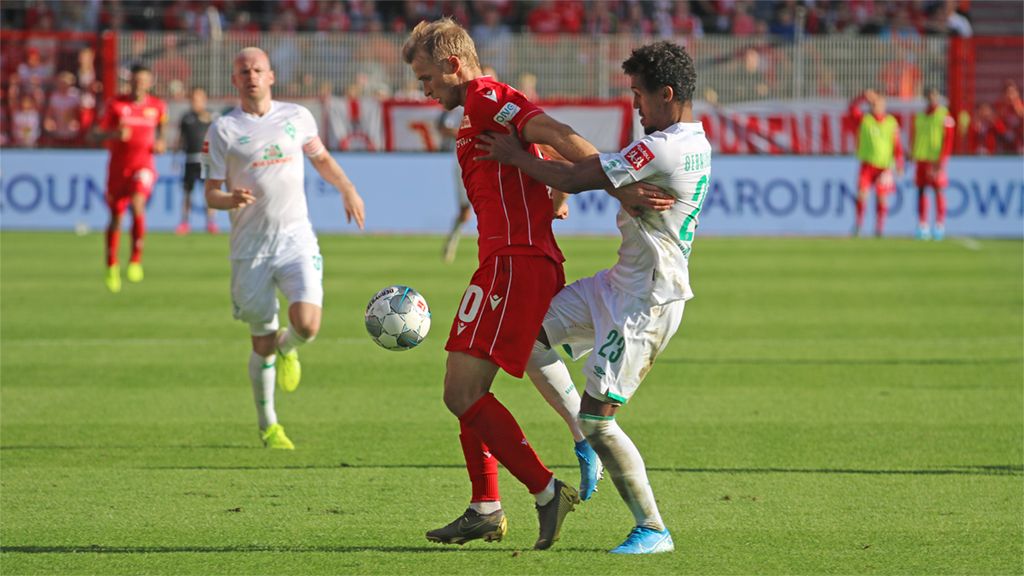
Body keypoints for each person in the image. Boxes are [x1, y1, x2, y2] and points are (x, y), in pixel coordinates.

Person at [401, 18, 671, 551]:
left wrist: (618, 185)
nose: (424, 90)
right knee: (466, 385)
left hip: (516, 262)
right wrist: (558, 194)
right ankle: (485, 506)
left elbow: (555, 133)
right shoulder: (480, 105)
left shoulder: (486, 98)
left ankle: (548, 491)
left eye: (427, 78)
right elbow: (541, 147)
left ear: (453, 65)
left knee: (461, 391)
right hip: (506, 260)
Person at [477, 40, 705, 555]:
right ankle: (582, 441)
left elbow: (578, 177)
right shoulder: (690, 141)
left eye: (639, 94)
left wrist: (516, 156)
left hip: (645, 304)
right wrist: (607, 183)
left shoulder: (664, 148)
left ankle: (653, 528)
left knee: (600, 418)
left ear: (667, 94)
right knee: (525, 335)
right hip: (617, 283)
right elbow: (599, 169)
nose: (635, 105)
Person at [202, 47, 366, 450]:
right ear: (235, 80)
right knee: (261, 341)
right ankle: (269, 425)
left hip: (296, 239)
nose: (252, 76)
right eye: (244, 71)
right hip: (251, 249)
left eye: (258, 70)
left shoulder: (296, 117)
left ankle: (288, 348)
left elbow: (321, 159)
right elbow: (211, 194)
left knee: (307, 324)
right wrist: (229, 199)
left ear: (271, 76)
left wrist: (347, 187)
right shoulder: (223, 130)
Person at [93, 64, 167, 293]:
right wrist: (114, 134)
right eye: (135, 81)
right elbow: (94, 134)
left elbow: (162, 128)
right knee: (116, 217)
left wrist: (161, 142)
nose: (138, 85)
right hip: (118, 170)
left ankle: (135, 258)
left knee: (137, 203)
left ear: (149, 83)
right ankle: (111, 264)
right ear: (130, 82)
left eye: (143, 81)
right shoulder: (116, 105)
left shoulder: (157, 106)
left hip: (143, 166)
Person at [439, 64, 497, 263]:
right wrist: (467, 133)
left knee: (491, 206)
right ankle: (452, 240)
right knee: (465, 212)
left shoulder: (497, 102)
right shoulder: (463, 103)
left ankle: (492, 247)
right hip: (464, 160)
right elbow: (443, 127)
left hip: (489, 160)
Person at [849, 89, 904, 237]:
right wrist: (863, 96)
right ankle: (858, 225)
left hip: (884, 167)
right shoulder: (865, 119)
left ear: (884, 106)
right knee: (862, 195)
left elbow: (897, 145)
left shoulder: (891, 122)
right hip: (867, 165)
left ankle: (879, 228)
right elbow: (851, 108)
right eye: (874, 104)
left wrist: (899, 164)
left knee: (882, 198)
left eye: (879, 104)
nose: (876, 107)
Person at [911, 87, 955, 241]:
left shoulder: (944, 115)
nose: (932, 98)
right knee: (921, 191)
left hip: (936, 159)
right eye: (929, 96)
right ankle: (922, 224)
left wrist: (942, 160)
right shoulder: (920, 116)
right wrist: (913, 152)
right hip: (921, 158)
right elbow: (915, 136)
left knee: (938, 190)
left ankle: (939, 224)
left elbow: (949, 140)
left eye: (934, 95)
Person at [176, 87, 217, 235]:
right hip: (190, 160)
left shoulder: (212, 117)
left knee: (209, 192)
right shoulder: (186, 118)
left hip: (207, 161)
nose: (196, 102)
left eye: (199, 98)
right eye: (193, 99)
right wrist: (175, 157)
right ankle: (184, 222)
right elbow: (180, 139)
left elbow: (219, 138)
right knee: (187, 192)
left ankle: (211, 223)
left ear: (204, 99)